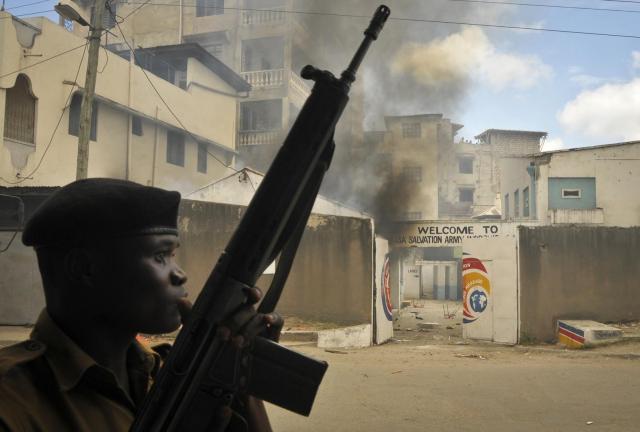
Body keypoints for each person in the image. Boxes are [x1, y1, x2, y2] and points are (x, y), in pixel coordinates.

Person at [0, 178, 282, 431]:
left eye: (173, 255)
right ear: (84, 268)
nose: (180, 273)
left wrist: (240, 377)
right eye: (160, 256)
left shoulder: (166, 373)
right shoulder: (13, 402)